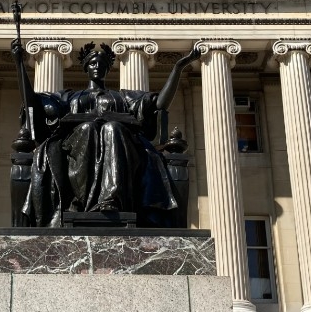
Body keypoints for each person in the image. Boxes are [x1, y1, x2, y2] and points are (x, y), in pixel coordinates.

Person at [11, 40, 200, 227]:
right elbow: (32, 103)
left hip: (121, 148)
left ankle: (111, 200)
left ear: (108, 69)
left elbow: (159, 104)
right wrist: (20, 64)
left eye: (102, 64)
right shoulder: (69, 98)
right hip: (77, 150)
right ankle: (82, 201)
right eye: (93, 63)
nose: (97, 67)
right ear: (85, 67)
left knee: (112, 128)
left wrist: (178, 68)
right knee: (88, 128)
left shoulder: (123, 98)